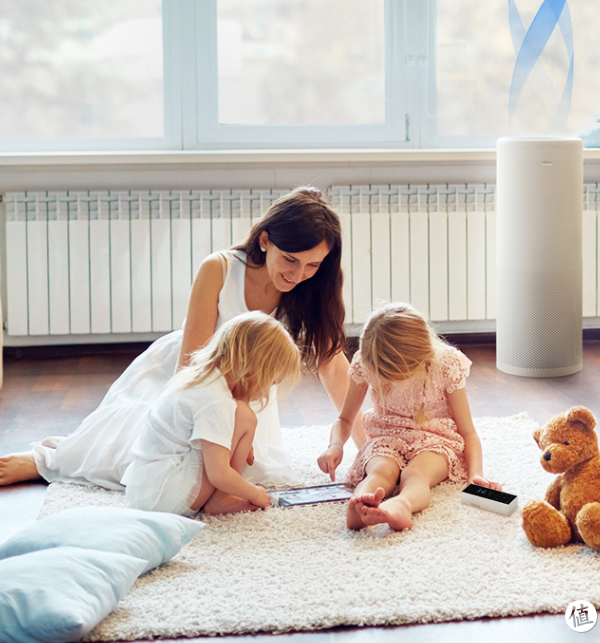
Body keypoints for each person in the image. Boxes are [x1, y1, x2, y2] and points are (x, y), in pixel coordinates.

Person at [0, 186, 364, 490]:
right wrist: (197, 423)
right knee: (138, 459)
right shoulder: (220, 268)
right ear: (266, 240)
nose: (299, 274)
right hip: (193, 376)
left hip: (247, 391)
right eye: (290, 260)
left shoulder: (313, 289)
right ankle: (43, 460)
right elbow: (191, 363)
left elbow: (335, 370)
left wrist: (369, 449)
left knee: (245, 473)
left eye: (313, 265)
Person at [318, 303, 501, 531]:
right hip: (386, 437)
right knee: (380, 470)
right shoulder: (367, 360)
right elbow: (345, 419)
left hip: (435, 439)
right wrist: (334, 445)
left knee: (416, 474)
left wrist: (476, 474)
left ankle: (401, 505)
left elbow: (468, 431)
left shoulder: (446, 364)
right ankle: (360, 504)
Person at [122, 312, 301, 516]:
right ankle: (221, 498)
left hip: (146, 489)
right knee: (245, 416)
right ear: (256, 370)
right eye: (271, 382)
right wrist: (255, 493)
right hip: (166, 495)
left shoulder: (200, 379)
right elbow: (219, 474)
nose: (267, 390)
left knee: (239, 414)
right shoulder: (215, 399)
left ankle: (220, 497)